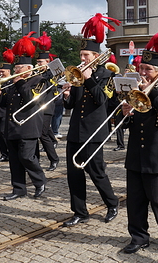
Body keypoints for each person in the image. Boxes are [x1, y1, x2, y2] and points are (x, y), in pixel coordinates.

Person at [120, 30, 158, 254]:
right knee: (135, 200)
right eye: (141, 68)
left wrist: (151, 92)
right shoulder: (132, 91)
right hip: (136, 154)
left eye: (148, 69)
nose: (143, 72)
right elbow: (123, 124)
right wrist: (126, 113)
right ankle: (139, 236)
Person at [62, 38, 119, 227]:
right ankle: (80, 212)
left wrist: (88, 78)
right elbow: (71, 105)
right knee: (73, 174)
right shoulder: (77, 75)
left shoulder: (107, 75)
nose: (83, 58)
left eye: (86, 55)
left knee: (96, 172)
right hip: (76, 130)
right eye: (81, 55)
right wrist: (67, 95)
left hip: (94, 131)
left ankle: (112, 203)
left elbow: (102, 99)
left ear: (97, 56)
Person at [0, 42, 46, 201]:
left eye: (19, 68)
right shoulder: (12, 83)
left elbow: (31, 100)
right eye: (15, 68)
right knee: (15, 160)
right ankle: (19, 189)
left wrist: (20, 82)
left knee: (26, 157)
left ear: (28, 68)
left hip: (28, 126)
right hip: (12, 126)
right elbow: (6, 103)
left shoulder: (39, 80)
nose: (15, 71)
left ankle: (40, 181)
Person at [35, 48, 60, 172]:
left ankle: (54, 159)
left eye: (41, 62)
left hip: (47, 107)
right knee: (34, 134)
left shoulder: (52, 73)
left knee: (43, 134)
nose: (38, 64)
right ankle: (35, 161)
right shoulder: (36, 73)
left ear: (47, 62)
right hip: (35, 108)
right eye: (38, 62)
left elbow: (53, 87)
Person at [0, 63, 12, 162]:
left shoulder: (12, 82)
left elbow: (8, 97)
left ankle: (10, 153)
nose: (0, 73)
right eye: (0, 71)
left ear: (8, 71)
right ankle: (4, 154)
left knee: (3, 133)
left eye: (3, 71)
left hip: (6, 111)